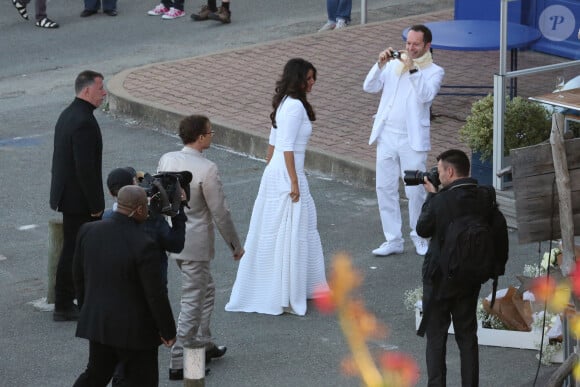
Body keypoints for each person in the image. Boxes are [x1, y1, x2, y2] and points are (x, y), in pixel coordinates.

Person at [225, 58, 328, 316]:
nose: (313, 82)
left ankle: (290, 287)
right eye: (309, 78)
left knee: (285, 229)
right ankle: (287, 292)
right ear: (298, 79)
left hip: (277, 172)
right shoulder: (293, 107)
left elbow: (272, 143)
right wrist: (293, 180)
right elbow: (287, 146)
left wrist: (270, 170)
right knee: (292, 231)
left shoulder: (285, 103)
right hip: (287, 173)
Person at [157, 114, 245, 381]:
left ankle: (204, 343)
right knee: (193, 300)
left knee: (206, 291)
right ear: (200, 137)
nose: (211, 135)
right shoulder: (207, 168)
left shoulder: (167, 159)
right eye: (210, 132)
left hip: (173, 238)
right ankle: (178, 358)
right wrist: (235, 245)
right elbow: (220, 212)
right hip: (196, 244)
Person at [72, 186, 176, 387]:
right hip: (136, 330)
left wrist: (87, 308)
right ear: (138, 210)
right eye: (145, 207)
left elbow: (78, 276)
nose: (148, 211)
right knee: (141, 380)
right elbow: (155, 293)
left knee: (96, 374)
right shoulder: (144, 243)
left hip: (99, 322)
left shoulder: (88, 230)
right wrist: (167, 330)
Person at [416, 149, 501, 386]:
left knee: (436, 339)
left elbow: (422, 229)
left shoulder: (441, 201)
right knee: (467, 337)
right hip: (470, 279)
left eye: (440, 170)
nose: (438, 175)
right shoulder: (484, 197)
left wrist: (431, 196)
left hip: (439, 280)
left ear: (450, 171)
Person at [363, 24, 444, 257]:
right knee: (384, 187)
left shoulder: (435, 71)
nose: (410, 48)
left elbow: (426, 96)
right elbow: (369, 87)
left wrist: (412, 70)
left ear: (427, 45)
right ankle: (393, 239)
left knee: (415, 190)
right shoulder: (392, 66)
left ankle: (419, 235)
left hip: (412, 138)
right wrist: (380, 64)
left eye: (415, 44)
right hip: (386, 134)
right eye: (408, 43)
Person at [50, 70, 106, 322]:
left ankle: (70, 300)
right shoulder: (83, 121)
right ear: (87, 91)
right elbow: (85, 168)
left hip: (68, 195)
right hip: (78, 199)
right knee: (75, 250)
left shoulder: (68, 114)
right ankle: (65, 302)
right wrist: (96, 205)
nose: (104, 93)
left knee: (73, 248)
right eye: (100, 89)